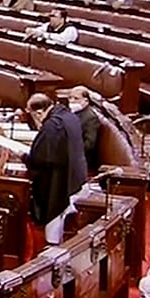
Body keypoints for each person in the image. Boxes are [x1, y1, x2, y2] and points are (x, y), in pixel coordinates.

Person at [17, 94, 87, 245]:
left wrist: (23, 156)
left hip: (60, 183)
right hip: (76, 176)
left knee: (55, 226)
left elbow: (41, 160)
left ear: (39, 112)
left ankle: (51, 247)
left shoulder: (52, 126)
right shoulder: (68, 116)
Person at [68, 86, 101, 171]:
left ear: (85, 101)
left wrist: (68, 151)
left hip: (82, 160)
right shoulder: (74, 112)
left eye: (76, 98)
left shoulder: (90, 118)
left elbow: (89, 145)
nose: (72, 101)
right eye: (70, 97)